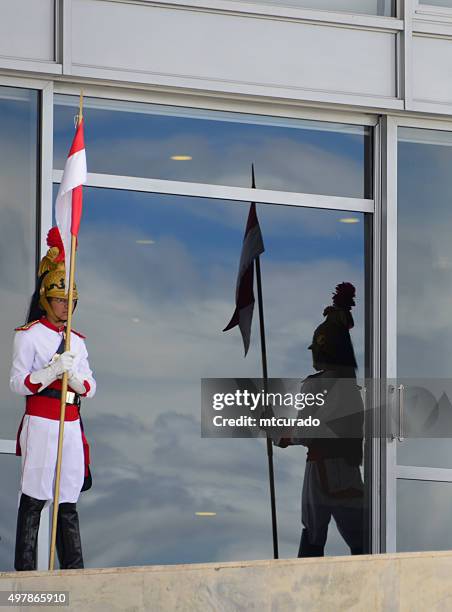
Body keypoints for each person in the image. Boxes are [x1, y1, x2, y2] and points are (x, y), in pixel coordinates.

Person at [10, 227, 96, 571]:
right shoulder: (28, 336)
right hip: (43, 419)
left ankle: (74, 569)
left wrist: (72, 375)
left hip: (71, 423)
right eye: (61, 300)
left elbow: (90, 386)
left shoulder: (78, 340)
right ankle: (26, 570)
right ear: (47, 299)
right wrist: (50, 371)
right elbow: (17, 383)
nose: (66, 306)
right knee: (35, 493)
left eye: (70, 300)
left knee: (68, 496)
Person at [279, 282, 365, 557]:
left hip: (322, 469)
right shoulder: (351, 386)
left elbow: (307, 431)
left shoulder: (317, 385)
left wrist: (280, 433)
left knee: (313, 533)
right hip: (350, 468)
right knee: (361, 538)